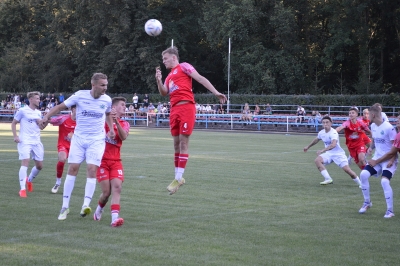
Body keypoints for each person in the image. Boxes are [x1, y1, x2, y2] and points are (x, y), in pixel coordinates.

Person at [39, 73, 115, 220]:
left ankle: (85, 205)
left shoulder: (107, 100)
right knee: (73, 168)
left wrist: (111, 128)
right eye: (102, 85)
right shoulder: (80, 95)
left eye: (106, 85)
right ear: (93, 85)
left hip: (97, 140)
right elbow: (60, 107)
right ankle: (65, 207)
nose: (105, 88)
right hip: (79, 139)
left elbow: (107, 114)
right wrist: (46, 117)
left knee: (92, 169)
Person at [155, 46, 227, 195]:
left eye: (165, 58)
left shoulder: (184, 66)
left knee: (183, 142)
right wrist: (159, 81)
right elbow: (164, 93)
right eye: (163, 59)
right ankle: (177, 178)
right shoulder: (168, 76)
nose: (164, 61)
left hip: (186, 107)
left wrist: (216, 92)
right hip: (174, 110)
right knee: (176, 144)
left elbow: (200, 78)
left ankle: (178, 177)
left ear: (174, 57)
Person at [93, 97, 130, 227]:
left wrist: (116, 123)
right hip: (102, 161)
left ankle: (115, 218)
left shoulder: (124, 123)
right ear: (113, 108)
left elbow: (124, 136)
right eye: (122, 105)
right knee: (106, 192)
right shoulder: (102, 121)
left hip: (116, 161)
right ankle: (99, 210)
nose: (125, 107)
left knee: (117, 188)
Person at [357, 105, 397, 218]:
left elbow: (395, 147)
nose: (367, 116)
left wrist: (393, 160)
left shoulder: (389, 128)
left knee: (384, 182)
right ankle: (367, 202)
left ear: (373, 115)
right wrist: (371, 147)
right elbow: (374, 139)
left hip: (389, 160)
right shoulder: (373, 125)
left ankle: (390, 211)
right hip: (377, 158)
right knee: (363, 174)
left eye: (368, 114)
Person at [303, 116, 362, 186]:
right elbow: (316, 139)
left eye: (327, 122)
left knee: (347, 170)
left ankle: (361, 183)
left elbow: (333, 144)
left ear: (331, 123)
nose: (325, 124)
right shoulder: (321, 132)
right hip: (329, 154)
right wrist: (308, 146)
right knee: (317, 160)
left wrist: (322, 150)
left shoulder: (333, 132)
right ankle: (328, 179)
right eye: (323, 122)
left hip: (338, 154)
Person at [11, 91, 44, 198]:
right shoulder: (22, 111)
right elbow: (14, 123)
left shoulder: (39, 112)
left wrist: (44, 122)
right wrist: (15, 136)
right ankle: (22, 189)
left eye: (39, 98)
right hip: (25, 140)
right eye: (37, 98)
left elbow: (41, 127)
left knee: (39, 166)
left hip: (36, 141)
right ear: (31, 99)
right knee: (26, 161)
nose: (39, 100)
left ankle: (29, 180)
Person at [48, 105, 77, 193]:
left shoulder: (83, 122)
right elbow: (51, 120)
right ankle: (58, 182)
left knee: (73, 168)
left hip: (76, 147)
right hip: (63, 145)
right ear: (72, 109)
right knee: (62, 159)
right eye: (77, 109)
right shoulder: (63, 118)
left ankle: (68, 186)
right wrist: (44, 119)